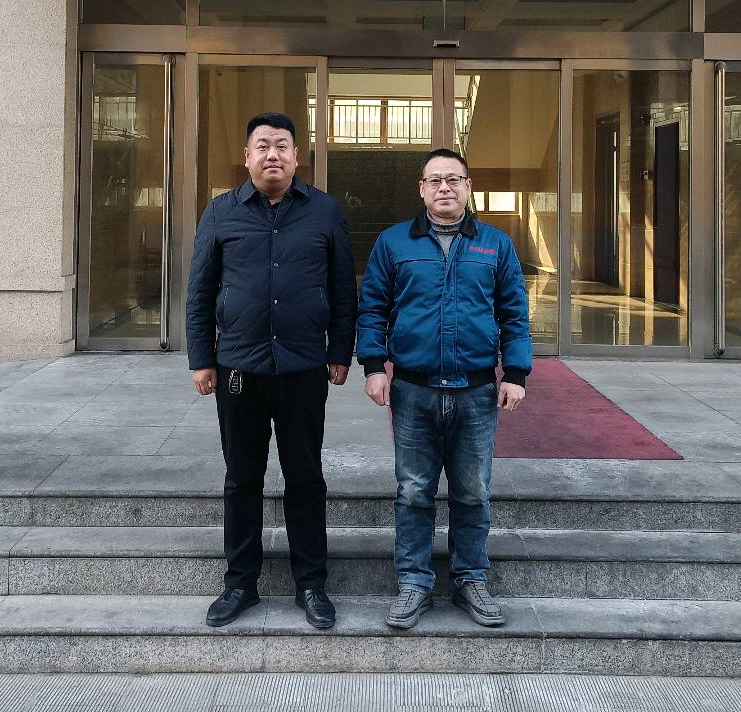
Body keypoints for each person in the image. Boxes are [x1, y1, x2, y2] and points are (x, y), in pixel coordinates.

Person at [187, 112, 356, 630]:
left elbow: (343, 289)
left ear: (296, 156)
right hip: (239, 369)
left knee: (305, 477)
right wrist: (201, 358)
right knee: (242, 478)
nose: (272, 155)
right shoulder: (221, 212)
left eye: (282, 145)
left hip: (304, 367)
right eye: (262, 146)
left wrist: (340, 351)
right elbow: (200, 292)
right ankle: (240, 583)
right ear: (247, 156)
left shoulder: (324, 210)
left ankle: (312, 585)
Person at [356, 147, 531, 630]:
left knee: (473, 491)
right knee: (414, 491)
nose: (444, 188)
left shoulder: (495, 245)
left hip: (476, 392)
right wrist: (373, 366)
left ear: (468, 187)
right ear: (422, 189)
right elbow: (372, 308)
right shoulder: (394, 243)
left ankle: (471, 579)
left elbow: (514, 313)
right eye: (435, 180)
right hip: (414, 391)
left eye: (454, 179)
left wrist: (515, 374)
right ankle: (414, 583)